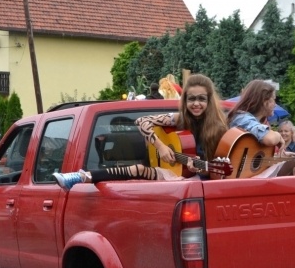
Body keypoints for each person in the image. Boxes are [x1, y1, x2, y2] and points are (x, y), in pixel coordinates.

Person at [54, 74, 228, 190]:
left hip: (198, 184)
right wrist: (160, 146)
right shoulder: (180, 119)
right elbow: (141, 121)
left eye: (201, 99)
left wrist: (201, 170)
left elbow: (220, 173)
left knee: (141, 169)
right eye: (191, 98)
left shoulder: (219, 129)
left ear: (209, 100)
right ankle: (79, 177)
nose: (196, 103)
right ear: (185, 100)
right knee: (137, 169)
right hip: (173, 175)